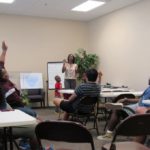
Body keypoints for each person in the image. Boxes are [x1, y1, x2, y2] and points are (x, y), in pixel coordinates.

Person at [0, 41, 37, 117]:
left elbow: (1, 63)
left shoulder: (4, 76)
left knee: (32, 112)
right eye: (5, 74)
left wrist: (4, 51)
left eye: (5, 71)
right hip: (13, 108)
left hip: (20, 105)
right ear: (3, 76)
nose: (6, 72)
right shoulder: (2, 85)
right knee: (34, 114)